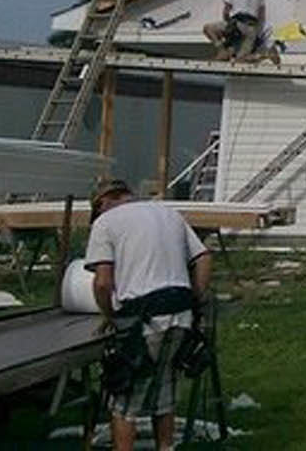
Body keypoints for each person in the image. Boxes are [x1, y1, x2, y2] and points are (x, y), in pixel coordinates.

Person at [84, 179, 213, 451]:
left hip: (142, 318)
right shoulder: (167, 213)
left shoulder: (105, 223)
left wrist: (110, 316)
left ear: (102, 203)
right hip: (180, 312)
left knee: (124, 401)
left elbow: (103, 282)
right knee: (163, 393)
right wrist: (196, 300)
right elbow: (203, 258)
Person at [202, 0, 267, 61]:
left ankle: (221, 51)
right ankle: (264, 55)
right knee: (240, 60)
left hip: (238, 23)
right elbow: (261, 17)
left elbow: (226, 12)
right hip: (251, 30)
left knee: (208, 28)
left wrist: (229, 26)